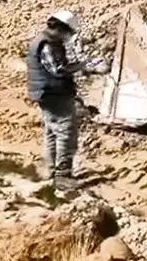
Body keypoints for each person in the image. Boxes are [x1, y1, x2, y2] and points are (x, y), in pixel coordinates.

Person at [25, 10, 106, 190]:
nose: (68, 37)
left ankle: (49, 170)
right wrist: (83, 66)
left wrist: (81, 66)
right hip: (54, 95)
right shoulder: (47, 44)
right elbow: (58, 70)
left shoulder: (46, 41)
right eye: (68, 33)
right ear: (61, 29)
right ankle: (63, 177)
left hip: (48, 93)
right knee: (66, 134)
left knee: (52, 133)